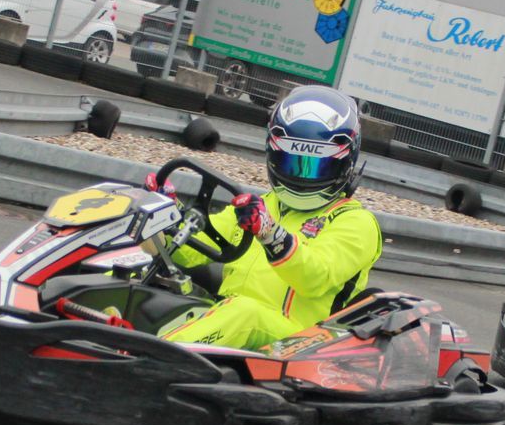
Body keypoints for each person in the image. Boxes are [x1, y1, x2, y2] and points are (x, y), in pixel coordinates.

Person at [153, 84, 383, 351]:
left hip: (300, 344)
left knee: (245, 313)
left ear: (345, 162)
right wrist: (168, 212)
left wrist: (272, 235)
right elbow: (192, 251)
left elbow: (315, 277)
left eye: (314, 166)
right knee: (150, 278)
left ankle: (148, 357)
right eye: (291, 162)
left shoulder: (356, 222)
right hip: (229, 316)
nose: (300, 176)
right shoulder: (263, 205)